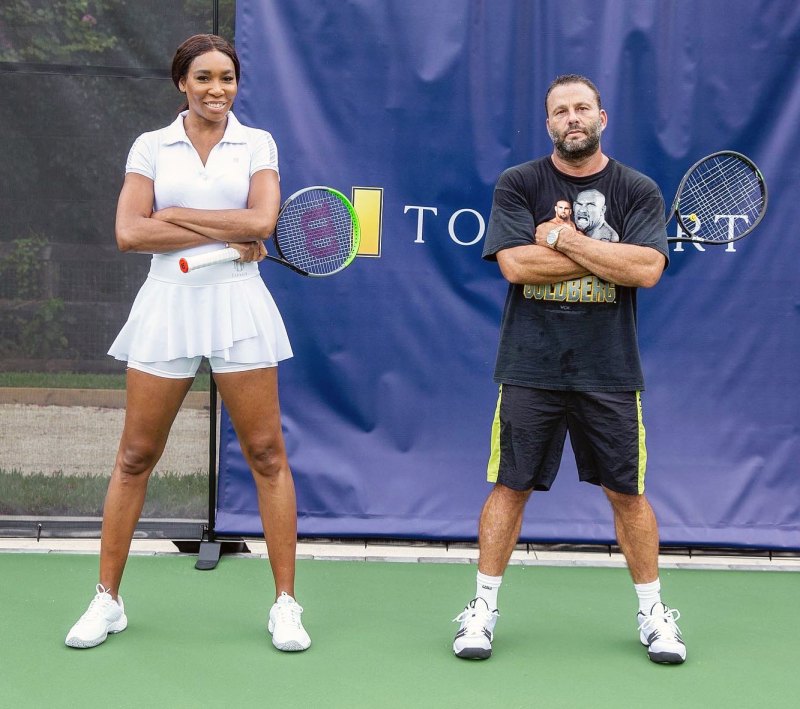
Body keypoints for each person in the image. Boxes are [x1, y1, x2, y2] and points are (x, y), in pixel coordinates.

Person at [65, 34, 310, 653]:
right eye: (204, 78)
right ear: (182, 82)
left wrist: (173, 216)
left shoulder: (258, 143)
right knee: (135, 456)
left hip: (239, 301)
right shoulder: (151, 146)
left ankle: (285, 604)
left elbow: (262, 223)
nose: (217, 90)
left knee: (266, 455)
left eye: (227, 78)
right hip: (166, 304)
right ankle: (108, 601)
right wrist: (218, 231)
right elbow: (127, 232)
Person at [452, 74, 685, 664]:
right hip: (530, 366)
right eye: (561, 111)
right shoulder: (518, 183)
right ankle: (481, 611)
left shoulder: (637, 189)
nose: (573, 118)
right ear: (549, 123)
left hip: (610, 370)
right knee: (510, 487)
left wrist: (558, 237)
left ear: (602, 118)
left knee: (627, 494)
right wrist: (606, 256)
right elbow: (514, 265)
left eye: (583, 108)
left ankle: (654, 615)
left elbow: (647, 271)